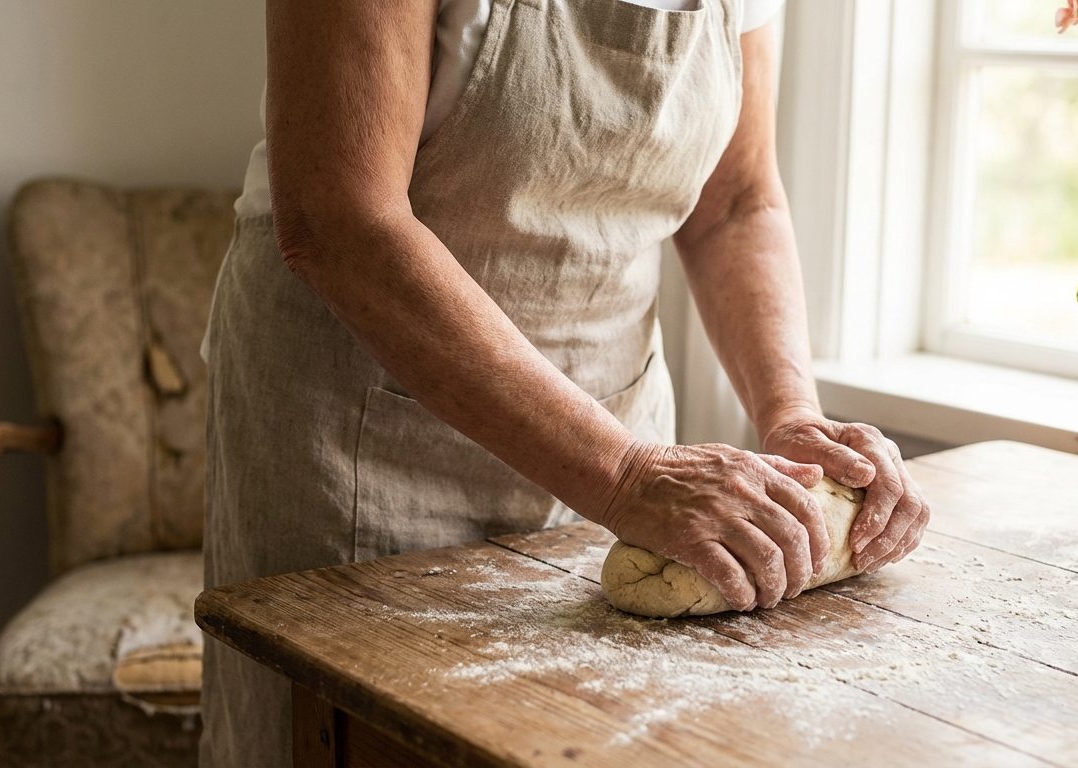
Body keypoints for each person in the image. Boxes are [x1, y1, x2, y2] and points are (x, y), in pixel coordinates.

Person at [200, 0, 930, 764]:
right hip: (361, 433)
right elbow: (340, 218)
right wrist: (622, 473)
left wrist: (793, 415)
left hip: (623, 421)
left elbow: (737, 205)